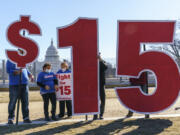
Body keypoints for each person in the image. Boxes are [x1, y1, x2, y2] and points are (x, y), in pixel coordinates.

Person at [6, 48, 34, 124]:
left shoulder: (23, 60)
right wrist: (17, 72)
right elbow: (8, 71)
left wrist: (30, 75)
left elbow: (26, 69)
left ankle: (26, 117)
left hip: (24, 84)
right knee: (13, 102)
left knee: (25, 102)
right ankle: (11, 118)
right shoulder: (10, 60)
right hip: (14, 85)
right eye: (21, 52)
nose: (22, 54)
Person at [93, 53, 108, 120]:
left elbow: (105, 67)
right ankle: (95, 114)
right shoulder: (92, 62)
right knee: (95, 100)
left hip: (101, 84)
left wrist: (100, 60)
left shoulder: (102, 61)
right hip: (94, 84)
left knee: (103, 100)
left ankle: (101, 114)